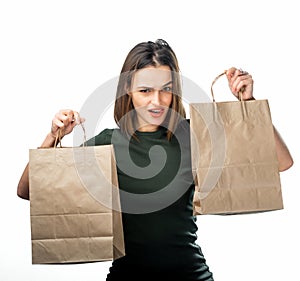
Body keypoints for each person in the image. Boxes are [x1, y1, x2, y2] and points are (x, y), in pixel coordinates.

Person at [17, 39, 293, 281]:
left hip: (190, 275)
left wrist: (250, 104)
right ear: (128, 89)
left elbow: (280, 163)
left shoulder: (195, 135)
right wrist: (52, 136)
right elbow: (29, 191)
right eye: (145, 90)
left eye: (166, 89)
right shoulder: (108, 143)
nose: (157, 101)